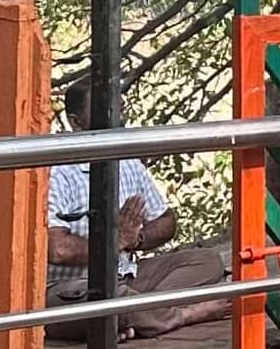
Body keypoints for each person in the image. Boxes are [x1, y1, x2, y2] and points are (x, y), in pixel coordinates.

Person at [47, 79, 182, 334]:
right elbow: (58, 250)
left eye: (119, 108)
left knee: (206, 263)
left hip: (125, 274)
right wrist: (115, 240)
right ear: (76, 123)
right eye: (105, 110)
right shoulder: (58, 171)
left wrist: (136, 239)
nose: (117, 117)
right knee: (108, 299)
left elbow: (166, 220)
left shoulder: (127, 159)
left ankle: (137, 314)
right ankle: (184, 313)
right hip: (71, 284)